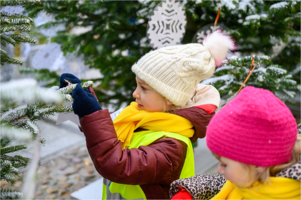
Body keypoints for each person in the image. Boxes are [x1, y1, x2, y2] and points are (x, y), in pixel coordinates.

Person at [60, 30, 235, 199]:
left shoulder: (172, 147)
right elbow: (106, 130)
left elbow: (118, 165)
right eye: (137, 85)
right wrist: (87, 104)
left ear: (169, 97)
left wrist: (92, 114)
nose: (135, 94)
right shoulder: (141, 116)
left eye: (144, 88)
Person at [170, 86, 301, 200]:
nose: (220, 170)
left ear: (258, 165)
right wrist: (188, 190)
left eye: (225, 164)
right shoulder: (253, 177)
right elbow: (222, 181)